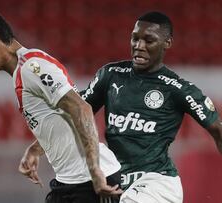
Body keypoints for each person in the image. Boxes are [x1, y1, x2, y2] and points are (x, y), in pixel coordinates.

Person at [0, 7, 122, 203]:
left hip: (91, 182)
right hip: (71, 182)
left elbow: (81, 108)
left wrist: (95, 171)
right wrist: (35, 149)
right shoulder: (24, 67)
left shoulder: (32, 68)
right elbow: (62, 117)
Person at [79, 11, 222, 202]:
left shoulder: (177, 88)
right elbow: (75, 112)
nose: (139, 46)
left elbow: (217, 130)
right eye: (135, 39)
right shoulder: (111, 75)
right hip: (116, 182)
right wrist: (36, 150)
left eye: (149, 40)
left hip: (157, 183)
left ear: (167, 43)